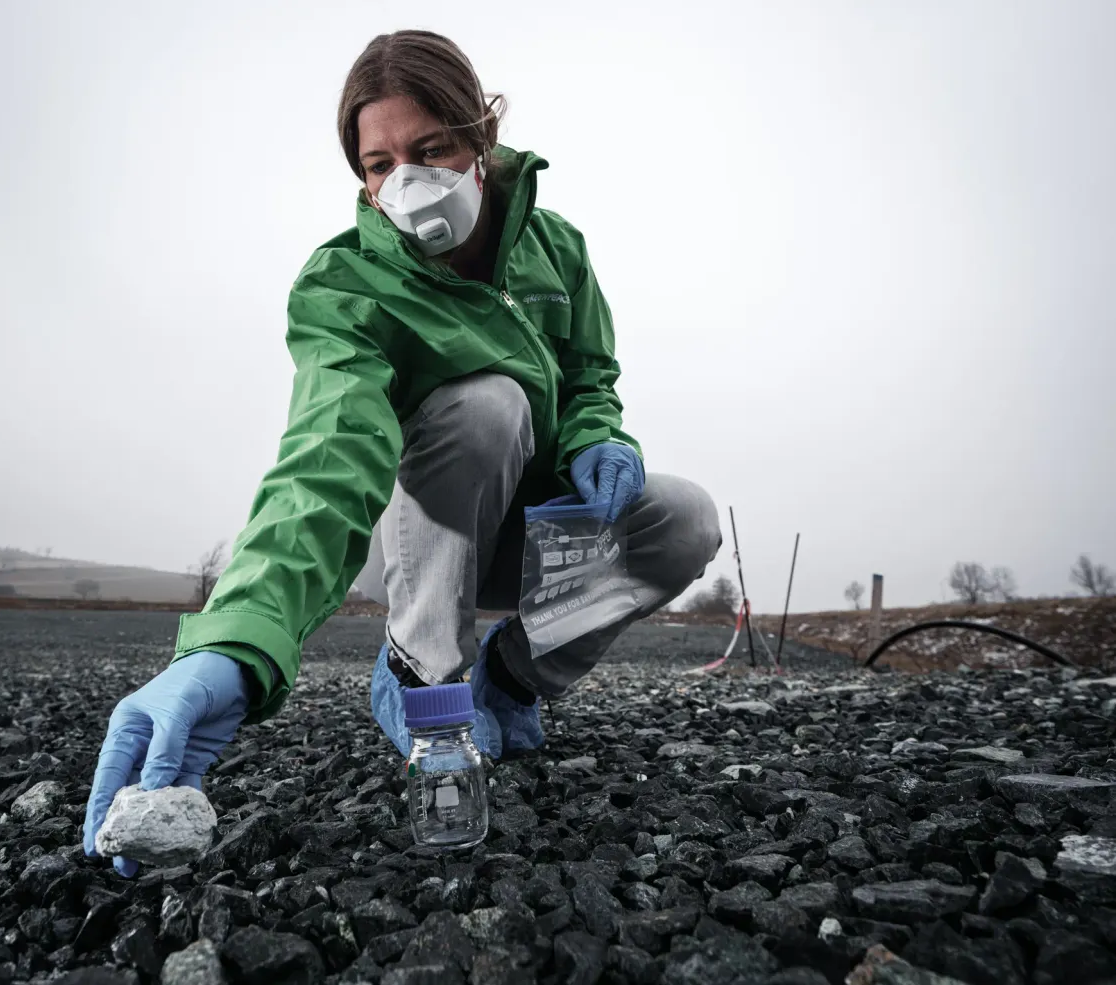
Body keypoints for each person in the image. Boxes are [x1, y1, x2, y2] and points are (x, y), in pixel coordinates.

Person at [83, 29, 722, 876]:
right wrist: (233, 640)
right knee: (486, 401)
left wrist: (598, 434)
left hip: (528, 531)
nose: (407, 181)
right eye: (379, 165)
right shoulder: (348, 285)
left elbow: (589, 373)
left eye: (431, 149)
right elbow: (327, 455)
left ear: (479, 137)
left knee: (685, 521)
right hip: (421, 538)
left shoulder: (556, 247)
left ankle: (516, 678)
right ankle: (422, 675)